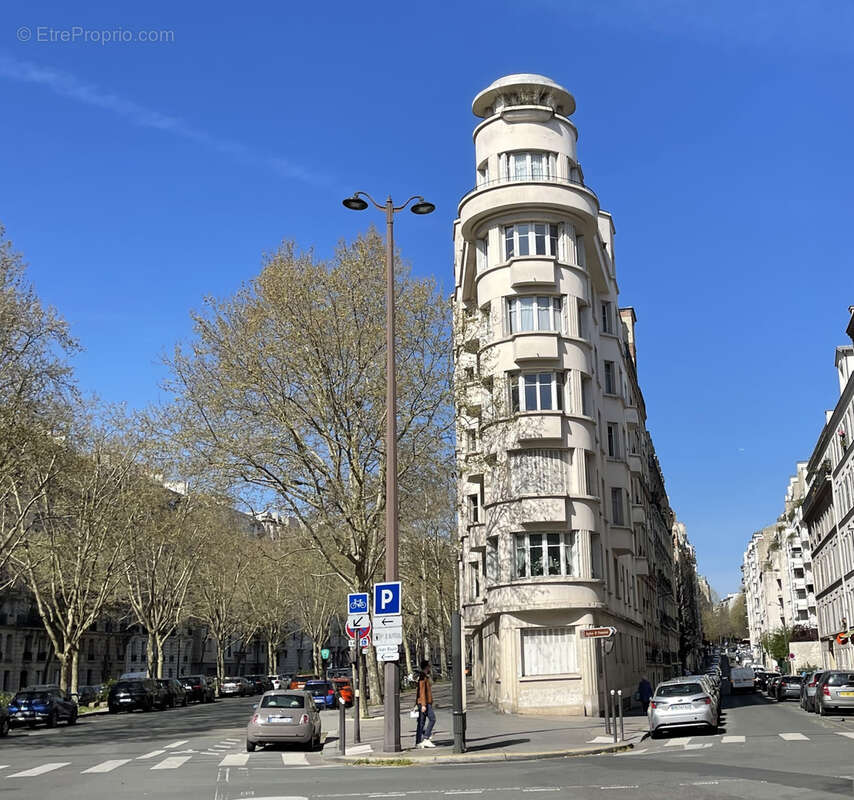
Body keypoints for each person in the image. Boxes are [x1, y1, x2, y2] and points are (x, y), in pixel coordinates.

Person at [415, 660, 436, 748]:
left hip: (423, 702)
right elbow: (422, 692)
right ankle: (426, 738)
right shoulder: (423, 677)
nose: (430, 668)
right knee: (432, 719)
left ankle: (418, 742)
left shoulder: (425, 676)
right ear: (426, 667)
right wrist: (423, 704)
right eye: (429, 666)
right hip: (425, 702)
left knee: (421, 722)